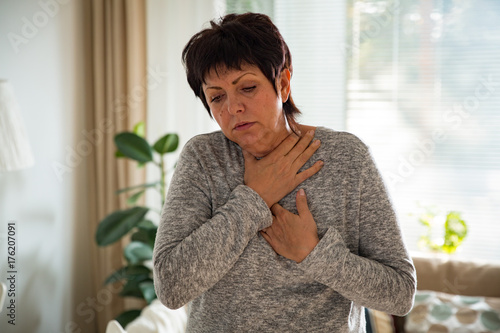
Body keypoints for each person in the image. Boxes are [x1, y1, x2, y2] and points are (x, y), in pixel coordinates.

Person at [153, 12, 416, 332]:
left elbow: (400, 294)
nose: (232, 108)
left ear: (283, 83)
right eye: (217, 97)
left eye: (247, 87)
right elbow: (171, 286)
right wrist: (254, 198)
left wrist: (313, 253)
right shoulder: (204, 159)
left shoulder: (346, 158)